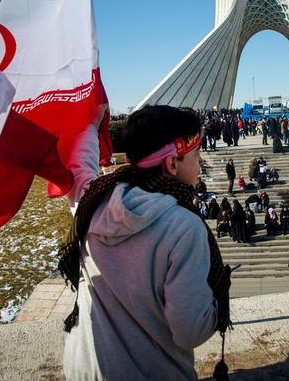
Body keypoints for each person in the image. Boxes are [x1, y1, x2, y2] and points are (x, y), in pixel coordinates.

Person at [61, 105, 230, 379]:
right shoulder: (184, 228)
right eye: (196, 154)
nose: (200, 163)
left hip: (84, 370)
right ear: (172, 164)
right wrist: (217, 303)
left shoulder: (95, 200)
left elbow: (80, 168)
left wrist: (90, 124)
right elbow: (190, 331)